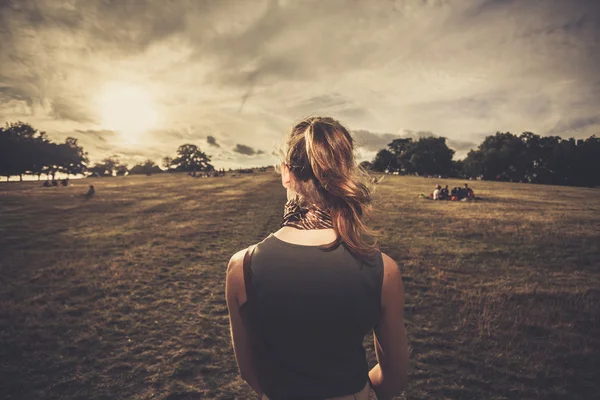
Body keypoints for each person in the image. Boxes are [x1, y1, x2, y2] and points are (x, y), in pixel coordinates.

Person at [226, 117, 408, 400]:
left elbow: (250, 372)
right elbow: (393, 379)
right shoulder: (384, 270)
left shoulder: (242, 266)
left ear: (286, 173)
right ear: (345, 172)